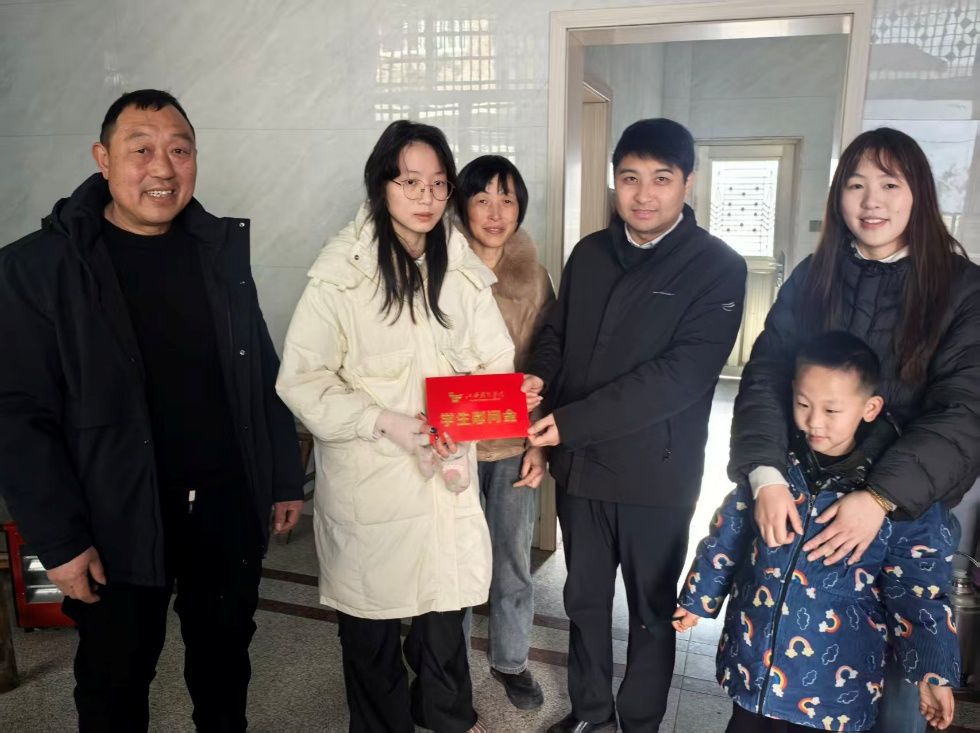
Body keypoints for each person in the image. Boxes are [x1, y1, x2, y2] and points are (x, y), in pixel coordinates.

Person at [0, 89, 305, 731]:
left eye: (179, 150)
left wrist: (282, 475)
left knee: (224, 663)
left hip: (224, 506)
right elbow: (17, 416)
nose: (163, 168)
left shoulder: (217, 251)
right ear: (103, 159)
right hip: (114, 513)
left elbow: (259, 371)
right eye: (141, 149)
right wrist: (59, 540)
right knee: (115, 675)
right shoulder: (40, 268)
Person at [729, 127, 980, 733]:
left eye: (889, 185)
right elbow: (765, 376)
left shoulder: (962, 289)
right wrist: (766, 475)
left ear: (918, 194)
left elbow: (966, 411)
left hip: (901, 522)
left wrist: (880, 498)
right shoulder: (814, 276)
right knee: (780, 679)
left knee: (894, 701)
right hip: (803, 506)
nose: (871, 202)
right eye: (856, 184)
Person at [275, 121, 517, 733]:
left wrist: (485, 403)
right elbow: (301, 380)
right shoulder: (342, 274)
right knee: (371, 628)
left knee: (443, 614)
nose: (426, 197)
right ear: (381, 183)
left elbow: (496, 359)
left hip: (443, 483)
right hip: (373, 486)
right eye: (411, 182)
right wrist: (380, 420)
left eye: (437, 184)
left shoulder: (460, 268)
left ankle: (444, 716)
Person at [523, 118, 747, 733]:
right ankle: (591, 711)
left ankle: (641, 721)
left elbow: (678, 378)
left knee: (652, 610)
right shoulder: (590, 253)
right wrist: (539, 378)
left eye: (661, 179)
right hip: (581, 472)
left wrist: (568, 422)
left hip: (657, 474)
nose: (643, 195)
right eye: (630, 178)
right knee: (583, 601)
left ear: (687, 182)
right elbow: (557, 334)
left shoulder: (718, 267)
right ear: (614, 181)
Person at [674, 331, 959, 733]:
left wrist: (934, 673)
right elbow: (729, 534)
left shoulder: (899, 495)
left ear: (870, 408)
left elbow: (918, 588)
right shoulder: (774, 467)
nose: (814, 421)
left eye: (831, 410)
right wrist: (698, 598)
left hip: (835, 689)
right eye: (803, 404)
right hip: (755, 668)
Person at [455, 155, 555, 710]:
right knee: (453, 559)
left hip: (515, 445)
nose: (495, 213)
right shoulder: (439, 268)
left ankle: (510, 661)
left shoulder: (535, 276)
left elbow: (551, 361)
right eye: (482, 199)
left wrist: (539, 445)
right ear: (463, 206)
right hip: (455, 444)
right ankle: (447, 667)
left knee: (512, 560)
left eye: (507, 200)